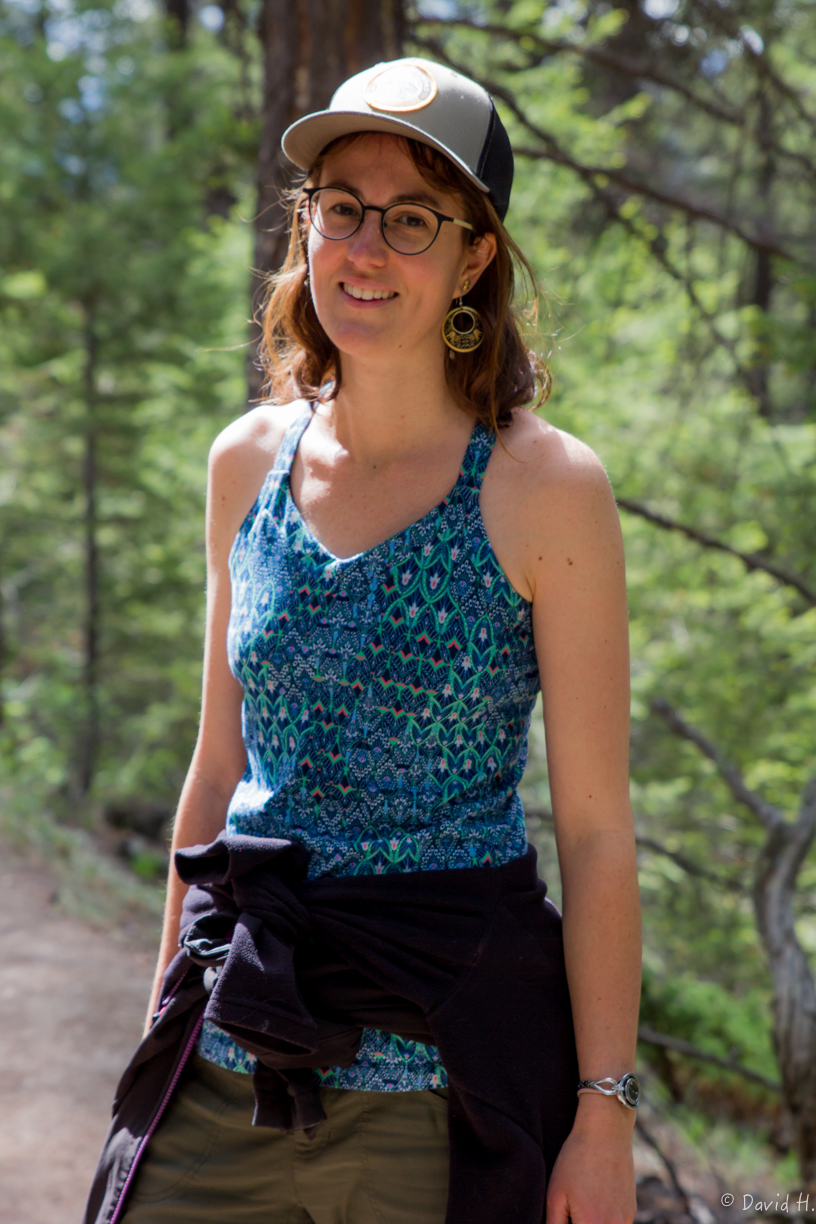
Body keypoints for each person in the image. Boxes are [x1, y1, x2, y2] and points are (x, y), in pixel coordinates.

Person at [109, 55, 640, 1224]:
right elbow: (216, 771)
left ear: (475, 253)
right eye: (341, 208)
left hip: (441, 1098)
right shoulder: (245, 461)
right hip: (228, 1061)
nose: (366, 248)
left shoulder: (544, 490)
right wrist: (163, 1022)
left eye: (412, 219)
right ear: (306, 227)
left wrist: (605, 1111)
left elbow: (598, 833)